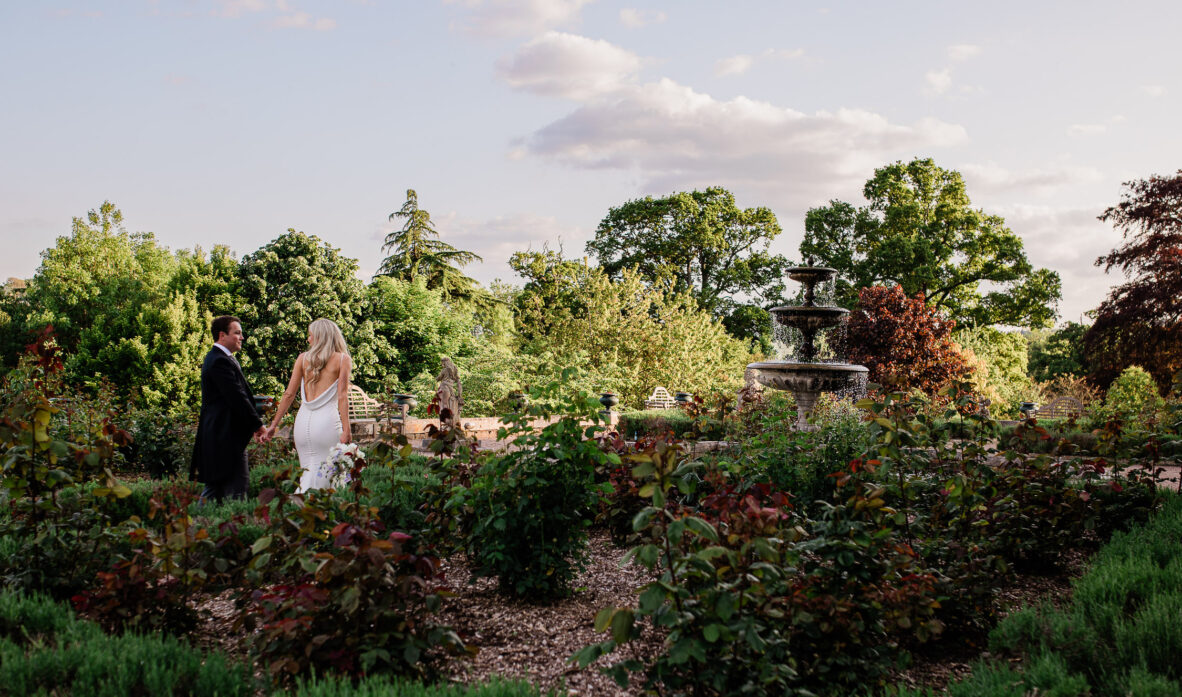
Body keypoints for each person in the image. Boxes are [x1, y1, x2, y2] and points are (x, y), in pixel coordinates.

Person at [262, 318, 352, 493]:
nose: (308, 340)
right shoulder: (342, 360)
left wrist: (274, 425)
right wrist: (347, 430)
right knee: (327, 475)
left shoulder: (303, 359)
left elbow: (288, 394)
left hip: (303, 424)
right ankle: (317, 512)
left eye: (310, 335)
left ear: (320, 337)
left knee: (308, 472)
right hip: (327, 424)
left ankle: (299, 508)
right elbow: (342, 396)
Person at [191, 315, 266, 502]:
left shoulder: (220, 358)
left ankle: (195, 525)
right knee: (237, 489)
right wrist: (257, 425)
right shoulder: (219, 361)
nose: (242, 337)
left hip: (221, 436)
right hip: (224, 436)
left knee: (215, 486)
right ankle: (234, 525)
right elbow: (237, 397)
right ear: (222, 335)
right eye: (237, 333)